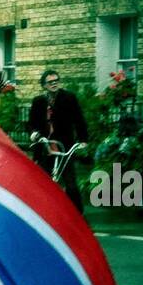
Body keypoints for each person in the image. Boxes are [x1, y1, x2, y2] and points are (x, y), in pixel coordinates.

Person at [26, 68, 89, 211]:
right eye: (50, 82)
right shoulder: (38, 101)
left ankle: (78, 214)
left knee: (70, 183)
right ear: (44, 85)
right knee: (43, 183)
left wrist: (83, 140)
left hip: (64, 145)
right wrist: (34, 134)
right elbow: (31, 123)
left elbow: (79, 120)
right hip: (45, 146)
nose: (54, 84)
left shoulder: (69, 98)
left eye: (56, 81)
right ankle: (44, 213)